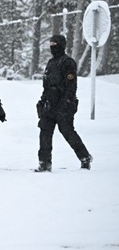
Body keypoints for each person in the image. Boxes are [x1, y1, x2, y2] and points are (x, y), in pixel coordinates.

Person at [35, 34, 92, 172]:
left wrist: (66, 103)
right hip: (50, 104)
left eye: (55, 45)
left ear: (61, 45)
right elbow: (47, 85)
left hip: (63, 105)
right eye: (51, 45)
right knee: (45, 132)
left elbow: (71, 86)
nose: (52, 48)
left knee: (67, 131)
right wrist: (42, 101)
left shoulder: (68, 62)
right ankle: (44, 162)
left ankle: (84, 157)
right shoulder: (50, 63)